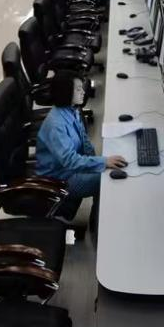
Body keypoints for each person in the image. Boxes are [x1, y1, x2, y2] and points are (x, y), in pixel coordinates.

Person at [35, 79, 127, 223]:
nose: (83, 92)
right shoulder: (56, 125)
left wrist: (97, 162)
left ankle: (97, 217)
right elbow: (70, 161)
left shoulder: (72, 110)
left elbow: (84, 140)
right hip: (59, 179)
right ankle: (97, 224)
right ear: (66, 93)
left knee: (105, 170)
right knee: (104, 180)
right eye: (78, 89)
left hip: (70, 169)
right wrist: (102, 162)